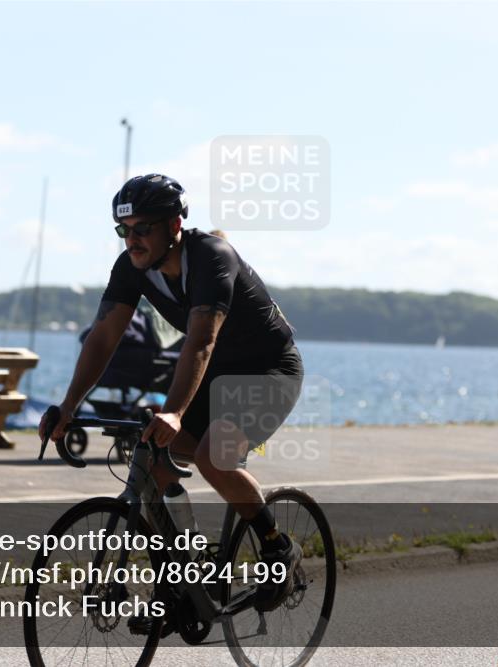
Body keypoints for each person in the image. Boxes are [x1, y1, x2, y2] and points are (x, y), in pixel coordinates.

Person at [42, 173, 303, 613]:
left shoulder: (212, 257)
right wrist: (69, 407)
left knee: (211, 456)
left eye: (143, 228)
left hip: (267, 370)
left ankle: (277, 545)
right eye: (124, 230)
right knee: (151, 451)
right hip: (212, 372)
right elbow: (104, 337)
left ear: (174, 225)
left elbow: (200, 341)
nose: (132, 240)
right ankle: (187, 566)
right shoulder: (132, 268)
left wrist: (175, 411)